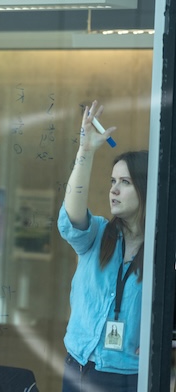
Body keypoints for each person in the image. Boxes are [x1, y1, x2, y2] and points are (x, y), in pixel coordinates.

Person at [58, 100, 147, 392]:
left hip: (127, 376)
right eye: (112, 181)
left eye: (125, 182)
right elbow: (72, 215)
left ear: (145, 190)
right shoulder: (97, 234)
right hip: (78, 366)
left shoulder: (161, 251)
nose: (114, 189)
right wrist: (85, 151)